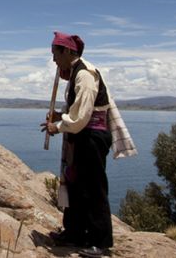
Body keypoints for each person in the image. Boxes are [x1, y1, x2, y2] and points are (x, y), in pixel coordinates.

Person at [41, 32, 115, 257]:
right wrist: (59, 115)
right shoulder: (75, 73)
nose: (54, 60)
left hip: (92, 136)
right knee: (76, 186)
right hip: (82, 135)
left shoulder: (85, 74)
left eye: (55, 54)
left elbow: (82, 114)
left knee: (93, 188)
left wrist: (60, 125)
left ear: (67, 52)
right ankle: (74, 233)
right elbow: (76, 111)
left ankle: (99, 242)